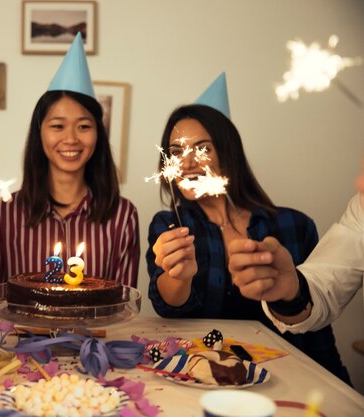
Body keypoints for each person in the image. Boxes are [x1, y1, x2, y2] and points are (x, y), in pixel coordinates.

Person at [145, 74, 350, 383]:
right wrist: (180, 277)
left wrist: (338, 388)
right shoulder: (169, 225)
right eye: (176, 152)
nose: (186, 164)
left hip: (287, 380)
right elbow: (169, 310)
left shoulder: (294, 225)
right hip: (201, 379)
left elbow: (317, 328)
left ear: (229, 153)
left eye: (202, 149)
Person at [0, 33, 139, 292]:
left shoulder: (122, 217)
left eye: (84, 126)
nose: (71, 138)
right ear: (39, 132)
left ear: (98, 134)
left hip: (96, 335)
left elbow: (122, 306)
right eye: (58, 126)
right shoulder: (3, 214)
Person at [229, 157, 364, 334]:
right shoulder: (361, 209)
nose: (359, 184)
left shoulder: (293, 222)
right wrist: (292, 293)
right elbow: (325, 288)